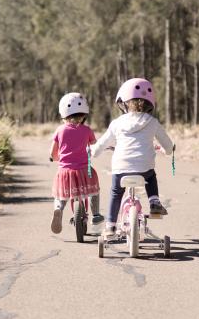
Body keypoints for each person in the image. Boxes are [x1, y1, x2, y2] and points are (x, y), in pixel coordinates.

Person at [91, 78, 174, 237]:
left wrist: (93, 151)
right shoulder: (152, 122)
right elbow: (168, 147)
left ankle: (110, 226)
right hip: (144, 168)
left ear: (124, 102)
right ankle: (154, 202)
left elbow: (100, 145)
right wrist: (169, 150)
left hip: (120, 168)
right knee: (151, 176)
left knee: (116, 193)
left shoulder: (117, 123)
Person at [50, 92, 104, 234]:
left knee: (61, 196)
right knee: (94, 191)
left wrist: (55, 158)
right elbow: (95, 146)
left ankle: (58, 209)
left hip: (65, 172)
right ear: (83, 114)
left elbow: (53, 153)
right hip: (84, 171)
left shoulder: (60, 130)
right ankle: (96, 214)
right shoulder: (87, 130)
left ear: (63, 113)